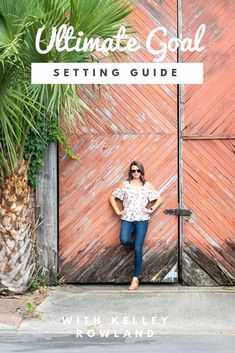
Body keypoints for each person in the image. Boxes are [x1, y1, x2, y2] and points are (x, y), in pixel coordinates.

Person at [109, 161, 162, 291]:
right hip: (127, 218)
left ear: (142, 171)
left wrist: (152, 209)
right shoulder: (125, 184)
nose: (136, 173)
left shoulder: (147, 185)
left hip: (142, 219)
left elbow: (159, 199)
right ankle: (136, 244)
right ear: (130, 172)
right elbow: (112, 197)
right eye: (133, 171)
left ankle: (135, 279)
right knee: (124, 240)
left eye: (138, 171)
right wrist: (117, 210)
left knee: (138, 249)